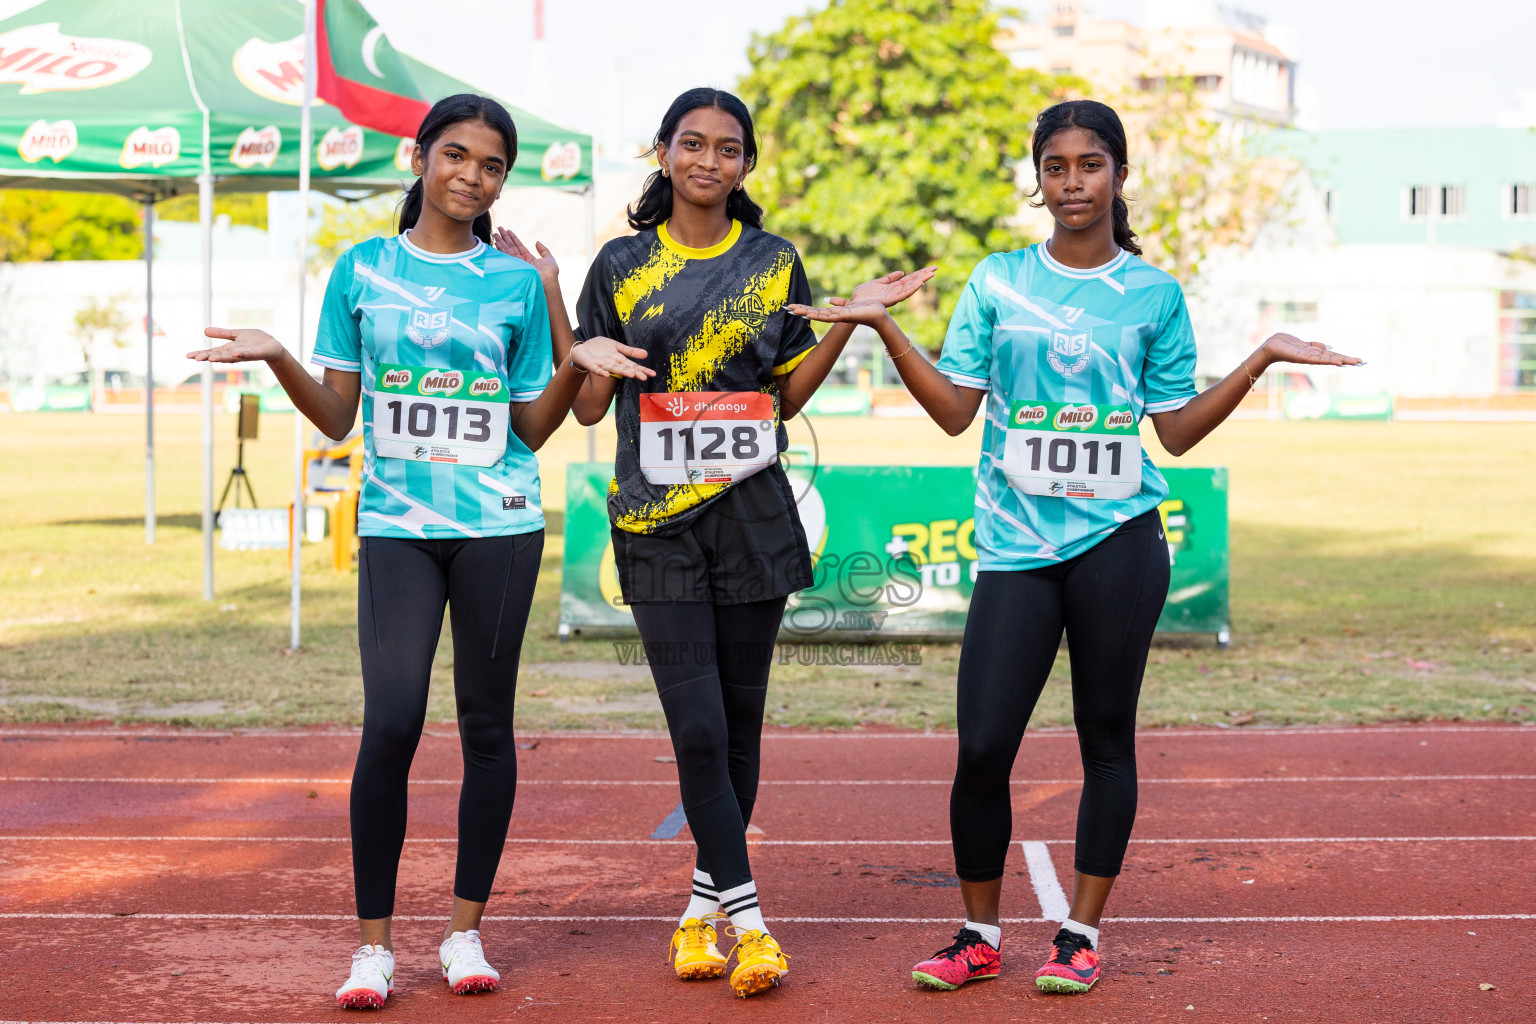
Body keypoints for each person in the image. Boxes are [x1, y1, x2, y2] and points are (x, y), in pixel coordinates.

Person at [787, 98, 1359, 996]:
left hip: (1119, 541)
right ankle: (978, 934)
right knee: (981, 747)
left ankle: (1080, 934)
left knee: (1105, 739)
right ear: (1039, 179)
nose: (1072, 182)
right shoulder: (998, 280)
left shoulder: (1154, 294)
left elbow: (1174, 433)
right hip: (1018, 548)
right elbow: (952, 413)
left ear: (1119, 175)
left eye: (1090, 165)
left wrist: (1259, 360)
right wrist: (884, 328)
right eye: (1055, 167)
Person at [188, 94, 651, 1010]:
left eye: (490, 166)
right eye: (456, 156)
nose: (472, 176)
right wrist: (280, 355)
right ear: (419, 157)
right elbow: (335, 417)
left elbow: (532, 427)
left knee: (486, 727)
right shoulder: (361, 269)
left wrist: (575, 365)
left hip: (501, 524)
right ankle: (373, 949)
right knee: (391, 724)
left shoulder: (514, 282)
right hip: (398, 525)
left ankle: (464, 933)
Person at [543, 86, 931, 999]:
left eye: (727, 149)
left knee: (743, 730)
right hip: (653, 524)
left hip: (753, 517)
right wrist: (567, 323)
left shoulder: (774, 261)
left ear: (746, 166)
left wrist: (851, 320)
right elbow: (593, 404)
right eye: (691, 144)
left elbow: (786, 397)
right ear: (665, 153)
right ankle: (753, 926)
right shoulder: (622, 263)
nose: (708, 161)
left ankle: (699, 913)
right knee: (700, 729)